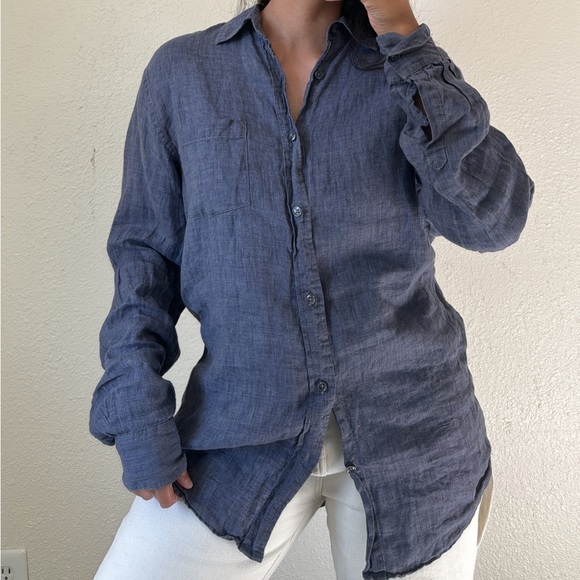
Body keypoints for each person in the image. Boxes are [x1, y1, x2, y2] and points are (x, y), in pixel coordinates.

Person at [90, 0, 533, 578]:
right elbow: (144, 260)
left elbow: (494, 221)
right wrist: (137, 415)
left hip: (415, 442)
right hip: (237, 435)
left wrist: (404, 34)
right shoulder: (182, 72)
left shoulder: (406, 70)